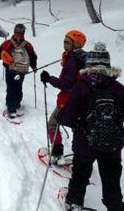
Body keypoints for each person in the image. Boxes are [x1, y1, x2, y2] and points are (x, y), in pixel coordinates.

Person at [56, 42, 124, 211]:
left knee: (80, 175)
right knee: (112, 182)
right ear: (108, 65)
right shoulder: (117, 88)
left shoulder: (81, 87)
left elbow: (68, 118)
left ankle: (74, 203)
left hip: (84, 144)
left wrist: (61, 115)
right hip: (112, 145)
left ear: (89, 64)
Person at [40, 30, 87, 164]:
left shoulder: (73, 61)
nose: (65, 45)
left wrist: (49, 79)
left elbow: (67, 85)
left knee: (53, 123)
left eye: (68, 43)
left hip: (68, 101)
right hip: (82, 100)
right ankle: (81, 158)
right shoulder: (84, 57)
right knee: (77, 128)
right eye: (64, 42)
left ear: (76, 44)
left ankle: (56, 154)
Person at [0, 24, 37, 118]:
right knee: (18, 85)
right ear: (23, 32)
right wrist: (34, 67)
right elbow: (33, 56)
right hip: (21, 70)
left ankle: (11, 108)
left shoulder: (8, 43)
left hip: (10, 69)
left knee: (11, 87)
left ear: (14, 31)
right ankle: (17, 103)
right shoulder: (27, 44)